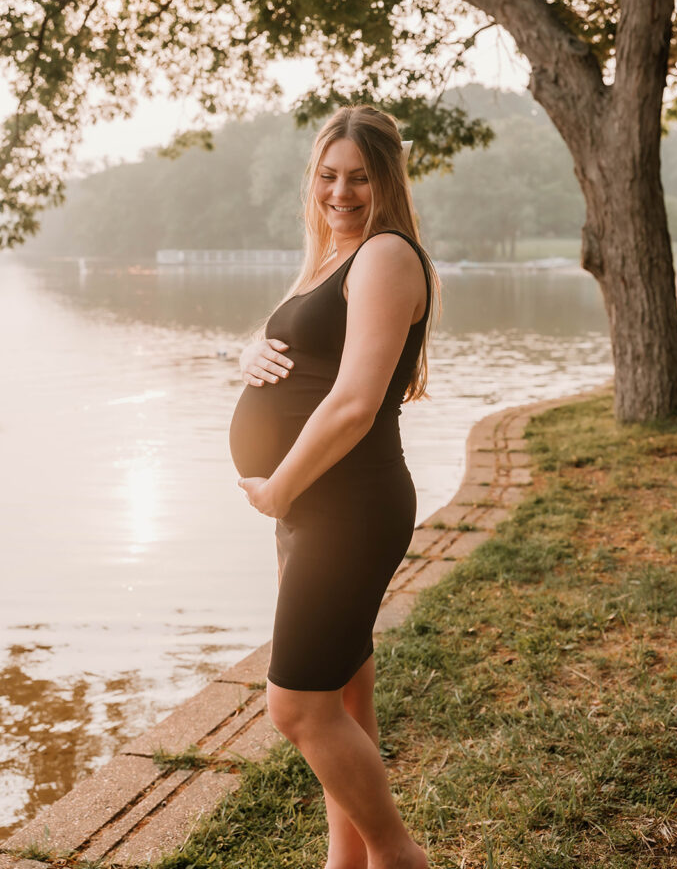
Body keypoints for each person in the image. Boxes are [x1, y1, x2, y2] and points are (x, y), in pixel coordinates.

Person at [228, 104, 441, 869]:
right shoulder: (331, 256)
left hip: (345, 507)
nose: (340, 191)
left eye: (358, 177)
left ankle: (395, 857)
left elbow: (352, 401)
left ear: (386, 179)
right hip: (310, 505)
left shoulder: (384, 254)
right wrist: (246, 349)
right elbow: (293, 344)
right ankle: (343, 862)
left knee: (297, 705)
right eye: (327, 175)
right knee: (345, 697)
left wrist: (281, 486)